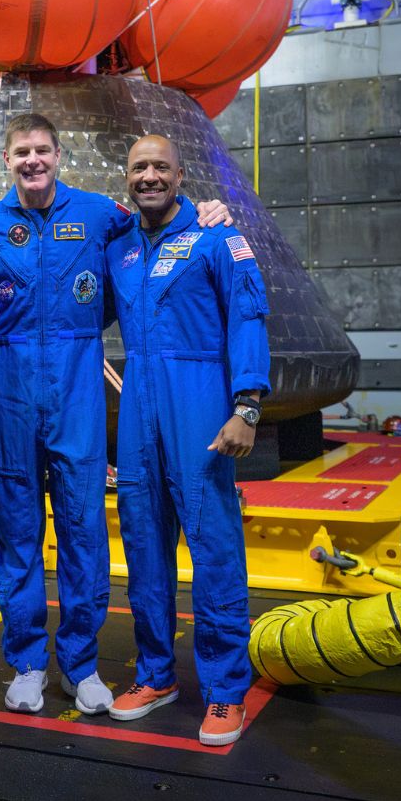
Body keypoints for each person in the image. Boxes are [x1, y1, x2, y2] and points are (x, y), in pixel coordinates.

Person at [0, 114, 231, 715]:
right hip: (8, 387)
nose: (33, 161)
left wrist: (208, 210)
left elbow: (158, 223)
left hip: (77, 387)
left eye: (42, 150)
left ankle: (81, 663)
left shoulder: (98, 215)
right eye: (22, 152)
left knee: (83, 528)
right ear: (7, 160)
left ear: (58, 155)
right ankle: (28, 663)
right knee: (15, 531)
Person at [104, 134, 270, 746]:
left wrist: (247, 405)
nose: (148, 176)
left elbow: (248, 317)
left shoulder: (216, 236)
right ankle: (156, 675)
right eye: (138, 168)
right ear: (128, 177)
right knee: (143, 546)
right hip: (139, 405)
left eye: (160, 167)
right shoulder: (119, 246)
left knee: (213, 546)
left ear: (180, 176)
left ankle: (225, 691)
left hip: (200, 399)